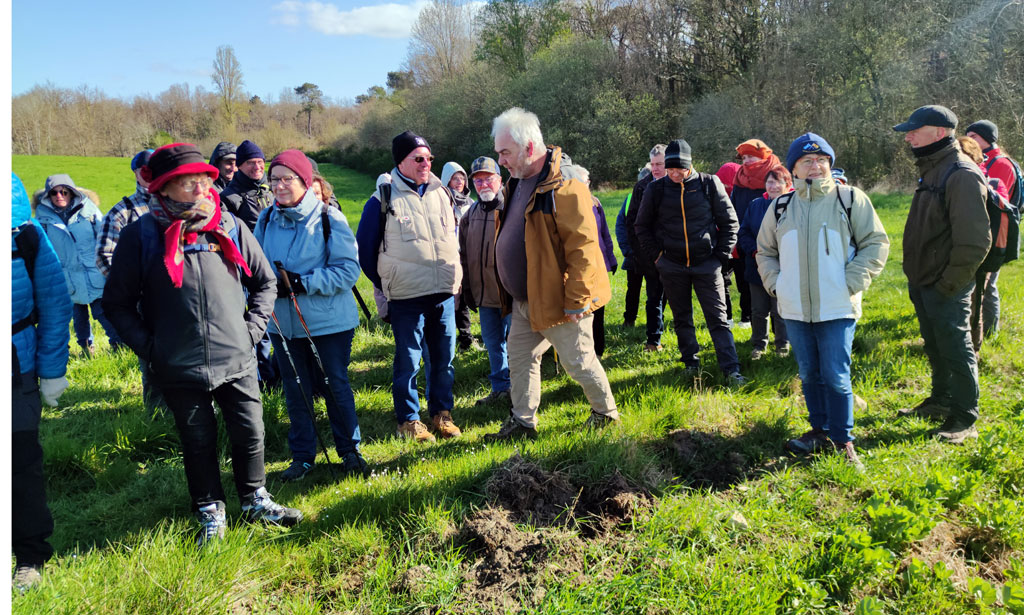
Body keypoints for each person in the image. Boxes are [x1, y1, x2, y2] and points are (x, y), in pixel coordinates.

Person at [103, 143, 302, 545]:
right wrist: (152, 348)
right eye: (185, 181)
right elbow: (117, 305)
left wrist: (251, 332)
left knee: (250, 431)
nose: (197, 187)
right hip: (178, 363)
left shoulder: (227, 225)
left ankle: (254, 498)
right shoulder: (141, 235)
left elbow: (264, 282)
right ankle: (210, 509)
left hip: (237, 355)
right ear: (163, 187)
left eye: (201, 178)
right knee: (198, 440)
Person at [484, 107, 619, 440]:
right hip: (525, 298)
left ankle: (606, 414)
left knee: (579, 362)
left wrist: (577, 301)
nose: (500, 160)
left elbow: (583, 247)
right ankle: (523, 422)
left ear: (529, 148)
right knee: (519, 357)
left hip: (559, 301)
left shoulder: (565, 182)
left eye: (505, 152)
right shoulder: (518, 180)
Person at [756, 133, 889, 468]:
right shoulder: (781, 206)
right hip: (795, 308)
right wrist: (777, 284)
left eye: (821, 161)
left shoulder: (850, 199)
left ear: (829, 164)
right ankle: (819, 431)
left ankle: (843, 440)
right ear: (794, 169)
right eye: (807, 161)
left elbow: (876, 243)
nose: (815, 167)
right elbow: (765, 251)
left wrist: (851, 281)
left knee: (835, 375)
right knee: (809, 373)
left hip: (838, 307)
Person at [254, 150, 368, 481]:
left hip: (328, 323)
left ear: (305, 181)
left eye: (287, 178)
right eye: (273, 179)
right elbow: (256, 267)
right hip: (282, 325)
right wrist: (263, 286)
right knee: (296, 389)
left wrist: (303, 283)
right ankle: (303, 456)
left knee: (335, 385)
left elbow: (348, 271)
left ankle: (350, 451)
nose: (279, 185)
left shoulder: (330, 219)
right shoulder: (265, 220)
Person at [356, 131, 463, 442]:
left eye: (429, 158)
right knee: (409, 360)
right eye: (419, 158)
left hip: (442, 293)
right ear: (400, 162)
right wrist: (387, 283)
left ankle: (442, 415)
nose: (426, 163)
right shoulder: (382, 199)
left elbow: (452, 238)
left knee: (444, 358)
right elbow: (366, 251)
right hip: (406, 297)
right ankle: (409, 421)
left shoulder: (442, 193)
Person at [893, 106, 991, 444]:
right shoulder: (932, 168)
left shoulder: (961, 173)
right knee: (934, 343)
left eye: (912, 130)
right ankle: (940, 401)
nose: (907, 136)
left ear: (938, 132)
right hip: (923, 279)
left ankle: (964, 416)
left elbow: (976, 240)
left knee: (955, 345)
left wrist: (949, 283)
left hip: (945, 283)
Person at [633, 138, 747, 386]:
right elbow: (641, 226)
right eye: (670, 169)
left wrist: (719, 257)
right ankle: (690, 364)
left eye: (679, 169)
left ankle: (731, 370)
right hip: (671, 266)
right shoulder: (656, 189)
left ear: (690, 165)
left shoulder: (709, 184)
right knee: (682, 318)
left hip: (707, 264)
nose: (674, 174)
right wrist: (659, 257)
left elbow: (730, 222)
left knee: (718, 318)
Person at [11, 173, 72, 591]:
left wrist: (51, 370)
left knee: (20, 462)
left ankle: (29, 555)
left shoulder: (26, 237)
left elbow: (54, 303)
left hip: (15, 362)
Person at [96, 148, 165, 410]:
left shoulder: (178, 204)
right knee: (152, 358)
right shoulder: (122, 212)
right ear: (136, 174)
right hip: (143, 303)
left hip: (179, 298)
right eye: (144, 170)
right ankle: (158, 419)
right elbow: (104, 256)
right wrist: (135, 288)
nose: (149, 175)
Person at [34, 174, 122, 355]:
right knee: (78, 316)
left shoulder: (90, 212)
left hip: (94, 273)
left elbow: (106, 239)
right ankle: (85, 348)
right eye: (54, 193)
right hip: (66, 278)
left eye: (64, 191)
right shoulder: (43, 220)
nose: (59, 196)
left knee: (103, 312)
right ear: (47, 196)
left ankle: (119, 346)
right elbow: (41, 251)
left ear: (72, 193)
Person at [220, 139, 278, 387]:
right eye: (251, 162)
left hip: (273, 267)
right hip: (246, 271)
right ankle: (260, 379)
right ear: (240, 166)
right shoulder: (229, 198)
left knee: (275, 325)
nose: (257, 166)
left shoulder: (269, 191)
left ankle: (274, 375)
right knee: (256, 327)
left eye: (261, 162)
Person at [460, 156, 512, 406]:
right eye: (478, 181)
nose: (483, 185)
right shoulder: (470, 213)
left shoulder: (511, 208)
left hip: (511, 296)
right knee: (494, 345)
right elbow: (463, 254)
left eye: (488, 179)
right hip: (484, 296)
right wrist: (468, 290)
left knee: (518, 347)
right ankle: (500, 388)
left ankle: (521, 390)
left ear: (499, 180)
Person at [966, 120, 1019, 338]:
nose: (970, 140)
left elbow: (997, 205)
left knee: (987, 286)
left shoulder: (1001, 164)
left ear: (988, 139)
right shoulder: (988, 160)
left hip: (995, 234)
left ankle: (990, 332)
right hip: (986, 231)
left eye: (975, 136)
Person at [956, 136, 1009, 355]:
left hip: (980, 255)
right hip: (972, 253)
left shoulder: (990, 185)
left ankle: (972, 350)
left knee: (974, 303)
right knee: (968, 302)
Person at [737, 164, 792, 359]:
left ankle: (782, 346)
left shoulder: (793, 205)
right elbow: (743, 232)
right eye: (770, 182)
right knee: (758, 310)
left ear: (788, 184)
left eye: (779, 182)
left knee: (781, 310)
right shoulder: (755, 205)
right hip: (757, 266)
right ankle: (759, 345)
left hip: (784, 268)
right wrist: (754, 251)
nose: (774, 186)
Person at [730, 140, 783, 328]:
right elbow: (732, 209)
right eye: (743, 158)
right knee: (747, 284)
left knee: (778, 291)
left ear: (763, 157)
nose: (746, 161)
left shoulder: (776, 178)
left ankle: (781, 335)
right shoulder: (739, 179)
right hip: (746, 242)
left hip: (777, 247)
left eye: (750, 156)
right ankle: (755, 330)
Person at [625, 144, 669, 351]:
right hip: (649, 254)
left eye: (660, 164)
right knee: (654, 298)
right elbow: (632, 222)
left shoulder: (678, 183)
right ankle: (653, 340)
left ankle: (667, 331)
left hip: (675, 252)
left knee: (670, 296)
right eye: (653, 164)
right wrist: (642, 251)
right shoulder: (641, 187)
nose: (656, 168)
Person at [574, 165, 618, 357]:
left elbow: (605, 234)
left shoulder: (596, 203)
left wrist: (611, 259)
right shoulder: (570, 206)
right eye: (578, 183)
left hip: (599, 265)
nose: (582, 186)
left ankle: (598, 350)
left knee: (599, 308)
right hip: (580, 267)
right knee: (583, 311)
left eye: (585, 182)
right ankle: (583, 350)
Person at [441, 160, 480, 351]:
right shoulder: (442, 201)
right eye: (454, 178)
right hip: (449, 257)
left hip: (468, 256)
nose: (459, 182)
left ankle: (467, 337)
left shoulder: (471, 203)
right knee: (454, 298)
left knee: (466, 296)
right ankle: (461, 337)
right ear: (446, 180)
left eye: (462, 178)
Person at [615, 165, 651, 328]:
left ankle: (655, 321)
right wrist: (627, 250)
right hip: (633, 254)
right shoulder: (630, 199)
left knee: (656, 290)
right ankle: (629, 319)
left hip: (651, 253)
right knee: (633, 289)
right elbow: (620, 225)